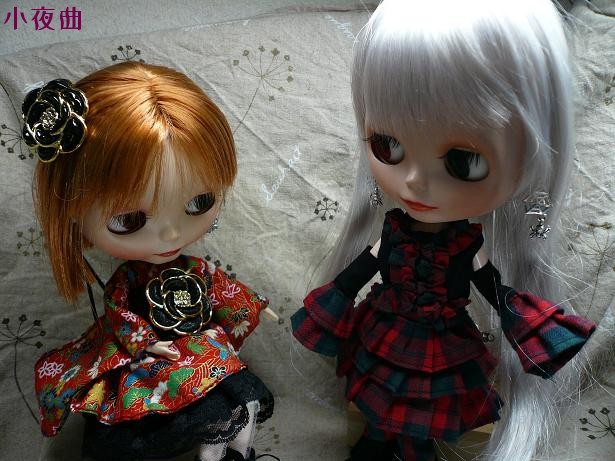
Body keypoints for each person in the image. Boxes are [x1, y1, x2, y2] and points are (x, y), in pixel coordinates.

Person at [291, 1, 596, 460]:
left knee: (423, 411)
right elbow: (359, 271)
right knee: (376, 394)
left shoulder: (466, 246)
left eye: (464, 162)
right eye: (388, 145)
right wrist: (333, 301)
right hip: (384, 331)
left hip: (440, 342)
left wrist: (528, 324)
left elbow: (491, 287)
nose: (415, 182)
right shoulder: (393, 232)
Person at [27, 62, 273, 461]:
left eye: (199, 202)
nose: (171, 234)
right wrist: (145, 342)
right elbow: (119, 312)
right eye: (129, 220)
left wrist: (250, 303)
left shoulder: (194, 269)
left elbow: (222, 289)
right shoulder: (127, 280)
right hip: (148, 354)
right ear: (72, 214)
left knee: (235, 400)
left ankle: (229, 454)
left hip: (196, 345)